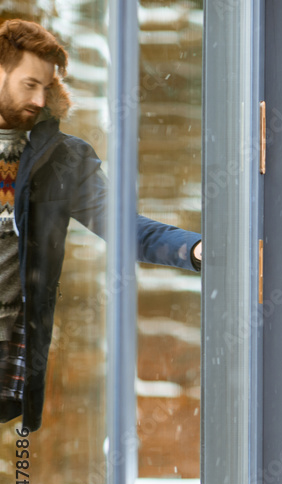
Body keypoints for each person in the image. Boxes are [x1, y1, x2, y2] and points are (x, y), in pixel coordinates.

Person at [0, 19, 202, 433]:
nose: (40, 99)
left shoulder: (62, 160)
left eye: (48, 87)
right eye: (29, 84)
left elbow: (127, 228)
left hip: (8, 349)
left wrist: (196, 249)